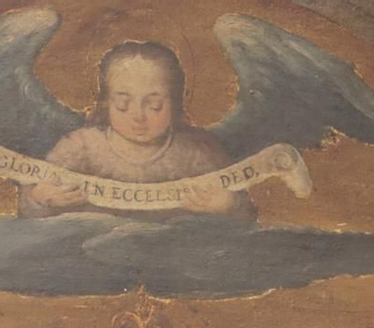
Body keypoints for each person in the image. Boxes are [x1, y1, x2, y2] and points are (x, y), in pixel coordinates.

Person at [20, 40, 254, 218]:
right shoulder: (80, 147)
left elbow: (246, 215)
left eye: (154, 105)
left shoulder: (198, 152)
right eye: (123, 103)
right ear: (105, 103)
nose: (138, 116)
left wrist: (228, 205)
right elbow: (29, 210)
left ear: (174, 102)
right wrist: (40, 198)